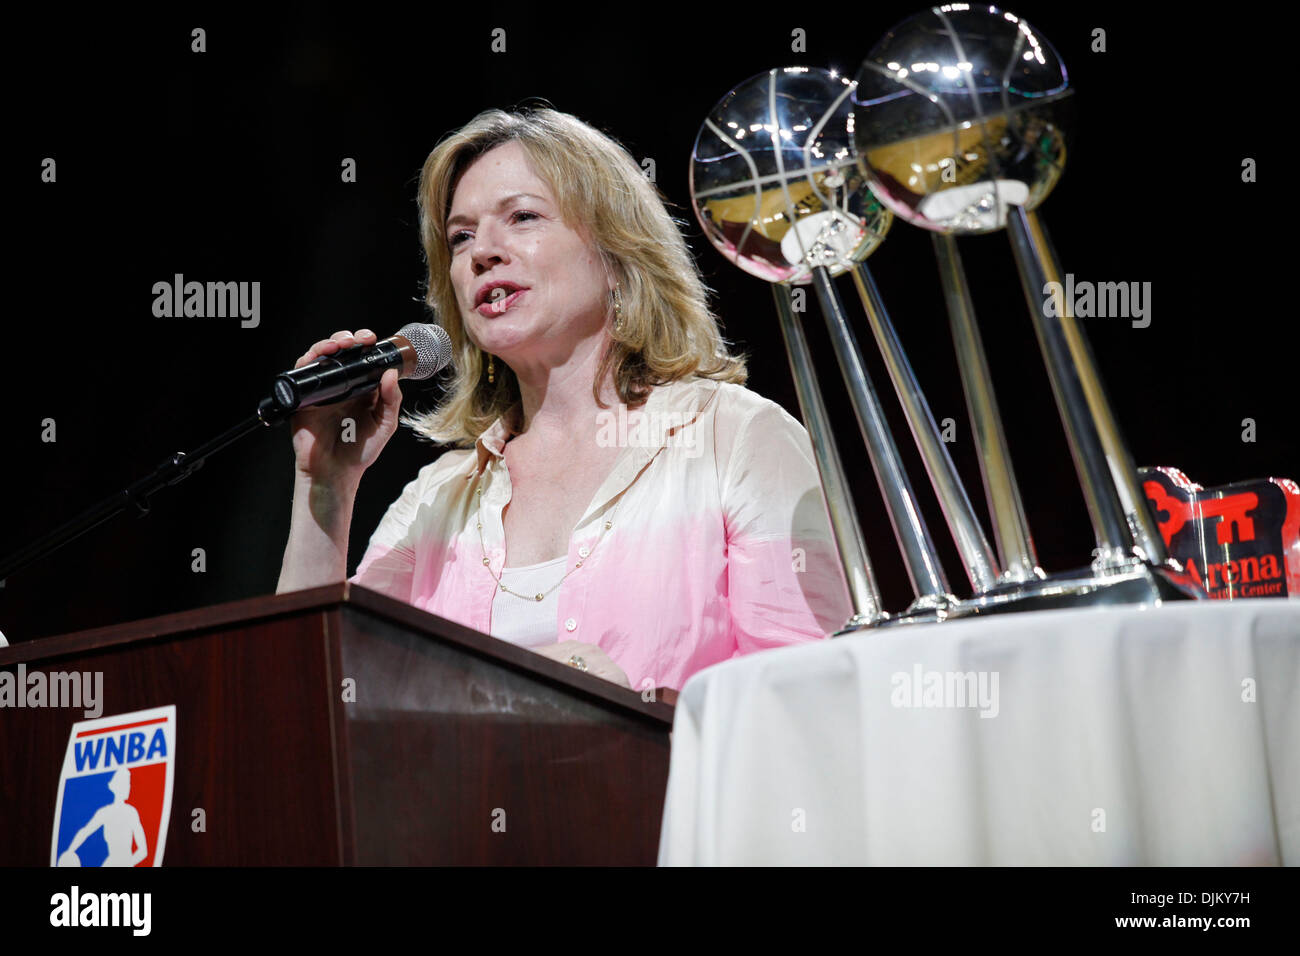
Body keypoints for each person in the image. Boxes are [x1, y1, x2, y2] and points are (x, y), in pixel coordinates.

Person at [276, 107, 852, 692]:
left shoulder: (736, 439)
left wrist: (637, 707)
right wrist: (324, 486)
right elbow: (310, 699)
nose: (483, 253)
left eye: (522, 217)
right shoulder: (435, 499)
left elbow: (810, 698)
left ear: (616, 256)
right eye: (461, 236)